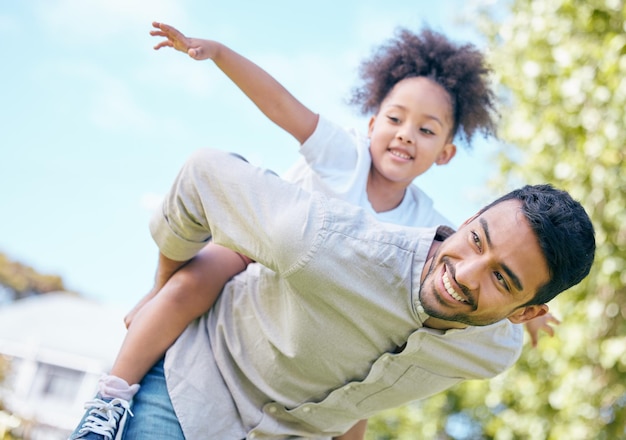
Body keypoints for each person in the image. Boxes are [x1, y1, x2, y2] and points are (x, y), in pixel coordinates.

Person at [69, 22, 560, 440]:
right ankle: (113, 395)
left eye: (427, 130)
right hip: (259, 258)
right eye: (395, 118)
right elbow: (283, 106)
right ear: (371, 124)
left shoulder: (426, 221)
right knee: (193, 281)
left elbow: (484, 260)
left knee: (361, 390)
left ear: (446, 153)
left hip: (331, 322)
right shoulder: (343, 155)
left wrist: (523, 313)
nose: (407, 133)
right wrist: (218, 53)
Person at [134, 149, 594, 439]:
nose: (466, 275)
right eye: (476, 240)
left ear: (525, 310)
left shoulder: (494, 351)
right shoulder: (326, 241)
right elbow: (203, 175)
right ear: (469, 218)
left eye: (502, 279)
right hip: (195, 388)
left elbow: (361, 399)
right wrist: (161, 287)